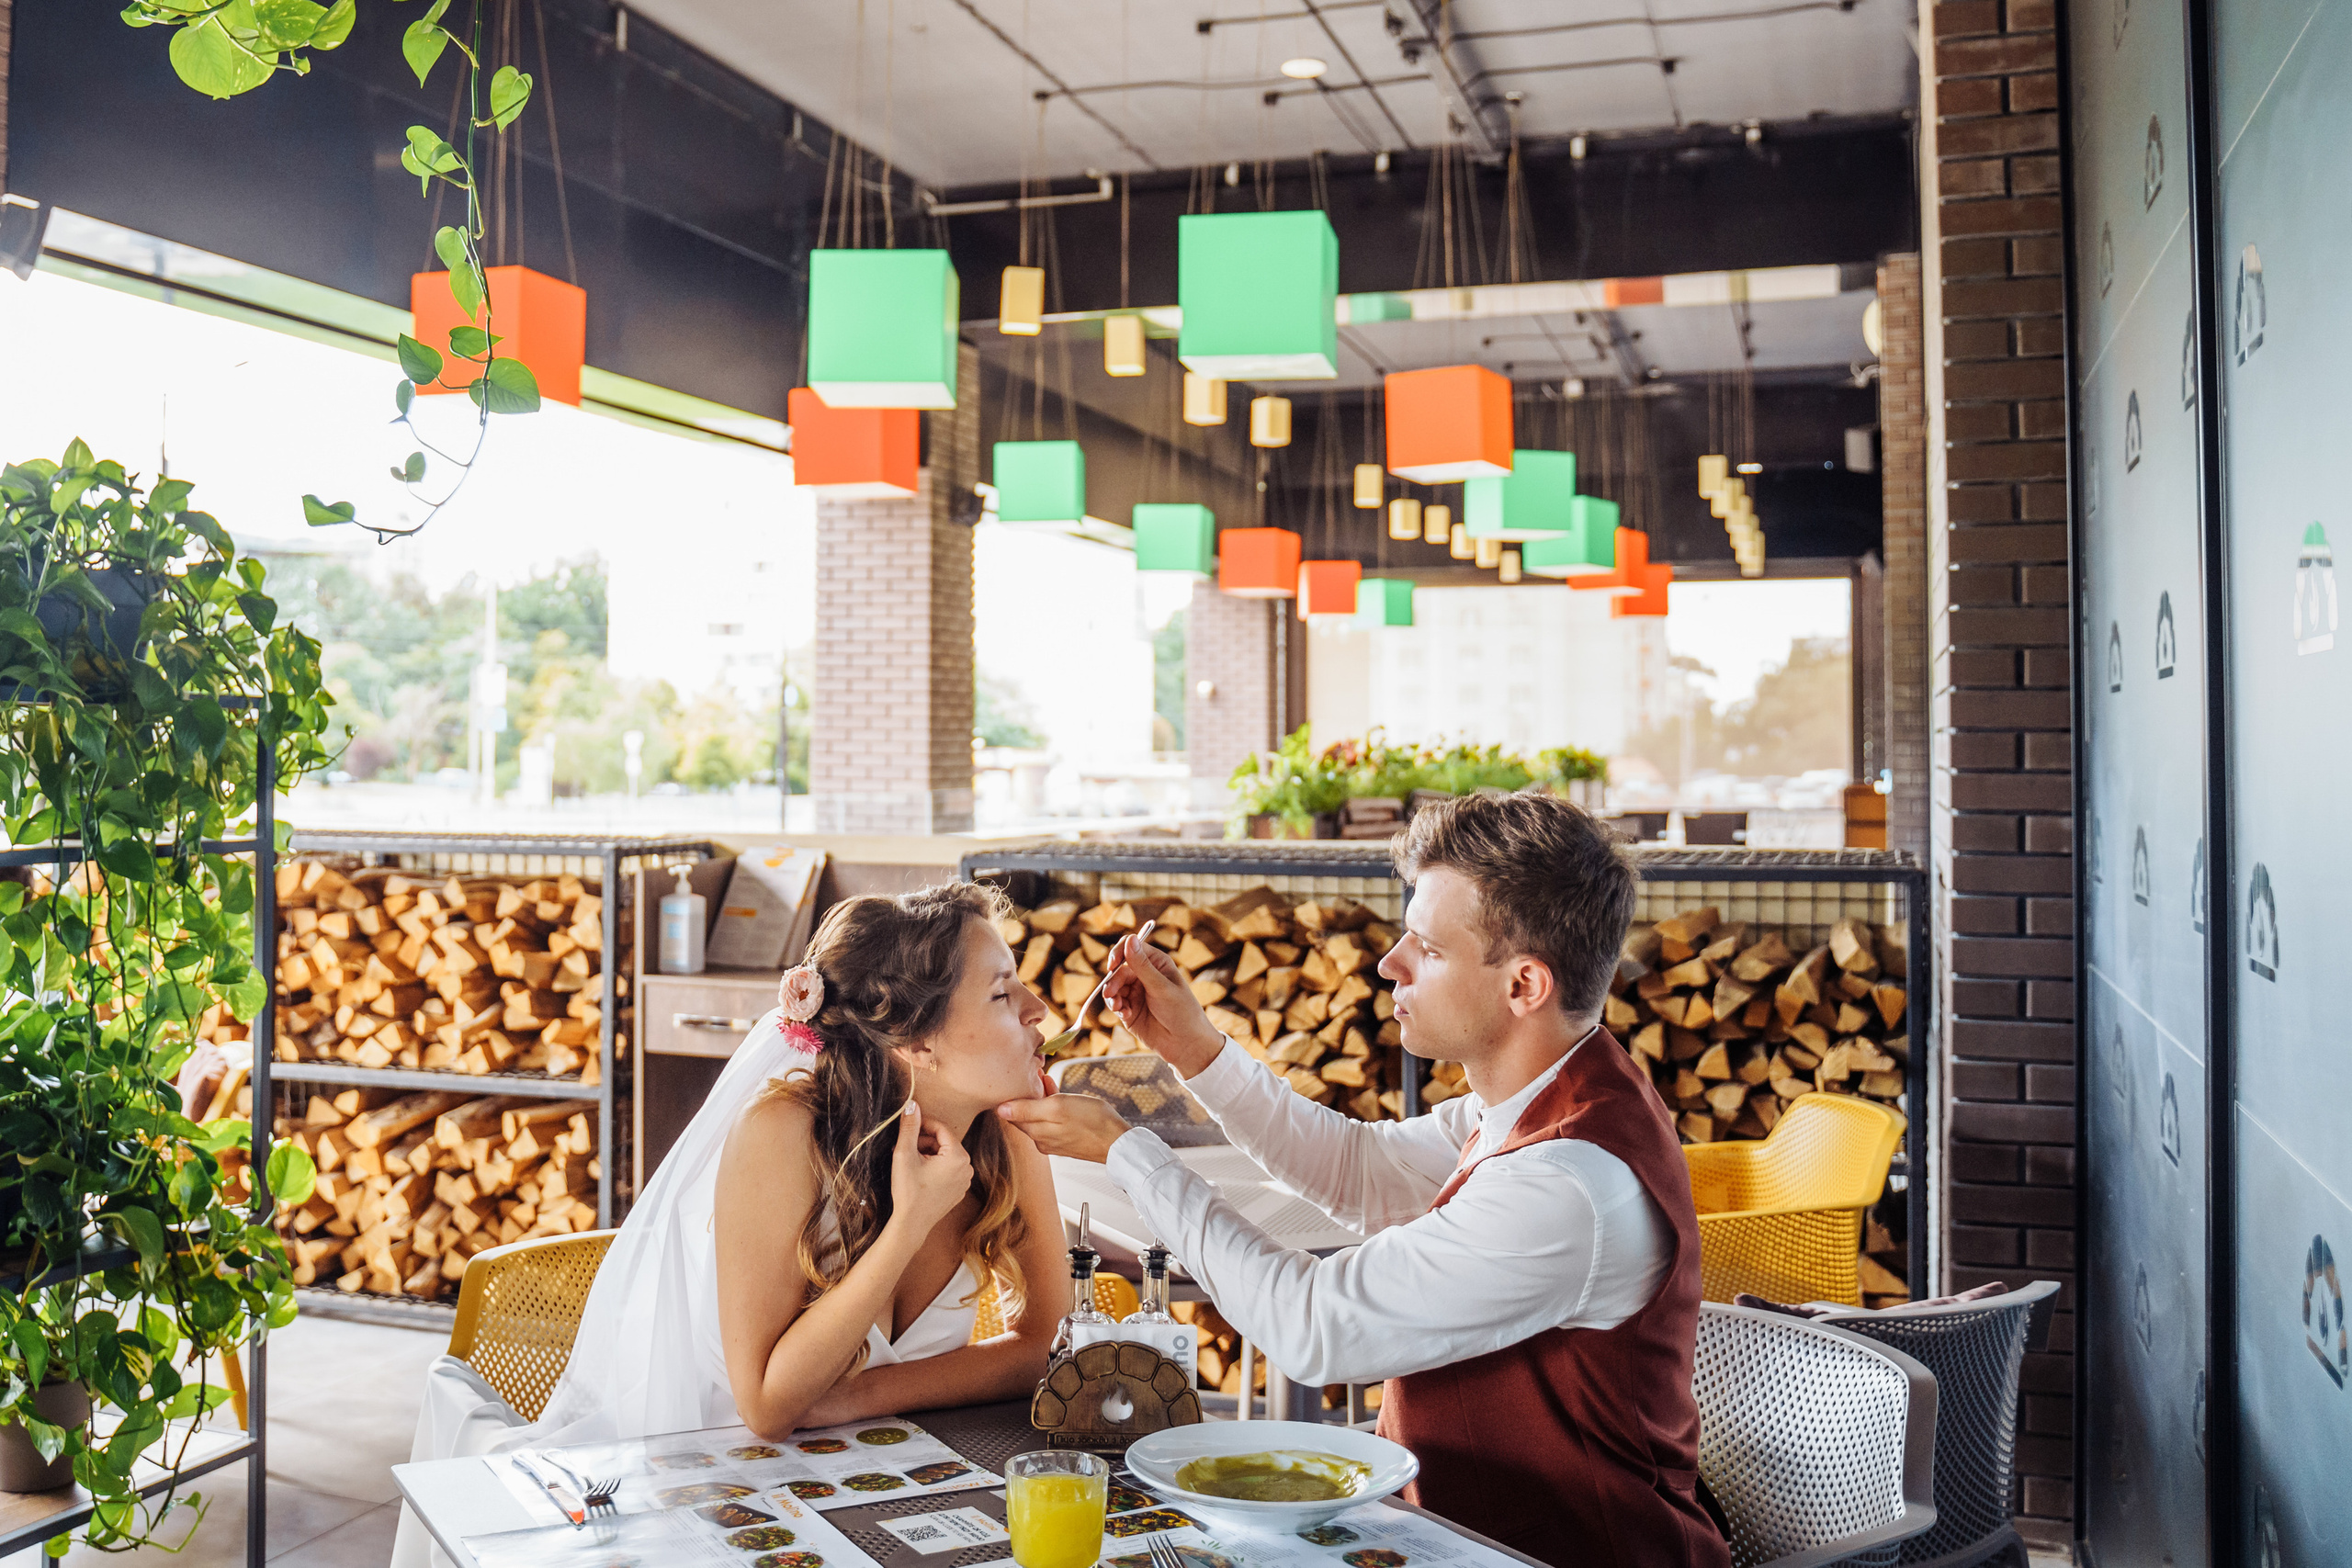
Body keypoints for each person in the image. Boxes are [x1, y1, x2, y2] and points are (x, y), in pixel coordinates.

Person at [1000, 793, 1729, 1568]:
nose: (1390, 963)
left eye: (1429, 947)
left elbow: (1313, 1325)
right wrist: (1198, 1051)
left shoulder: (1567, 1187)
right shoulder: (1527, 1105)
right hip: (1458, 1541)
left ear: (1524, 986)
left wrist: (1126, 1150)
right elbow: (1358, 1166)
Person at [391, 882, 1068, 1568]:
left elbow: (1045, 1344)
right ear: (918, 1042)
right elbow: (770, 1406)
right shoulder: (782, 1133)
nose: (1039, 1009)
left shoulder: (1009, 1135)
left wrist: (853, 1397)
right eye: (1001, 992)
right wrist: (910, 1224)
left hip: (875, 1482)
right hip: (714, 1494)